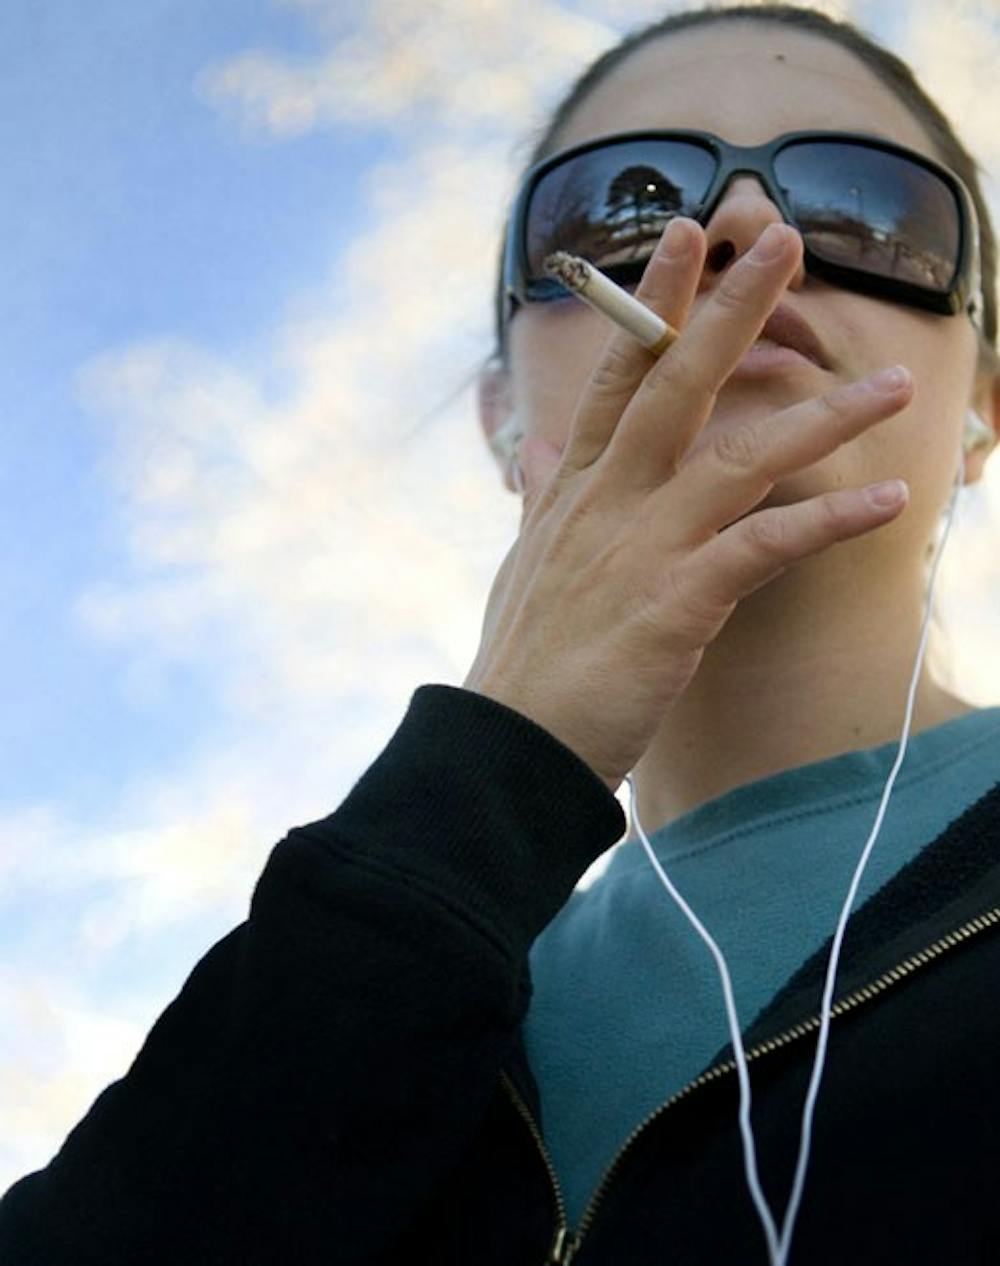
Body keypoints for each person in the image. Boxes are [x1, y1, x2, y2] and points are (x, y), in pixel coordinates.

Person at [2, 3, 999, 1263]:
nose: (742, 233)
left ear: (981, 407)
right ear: (499, 419)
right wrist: (494, 757)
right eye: (616, 215)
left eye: (868, 212)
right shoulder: (420, 982)